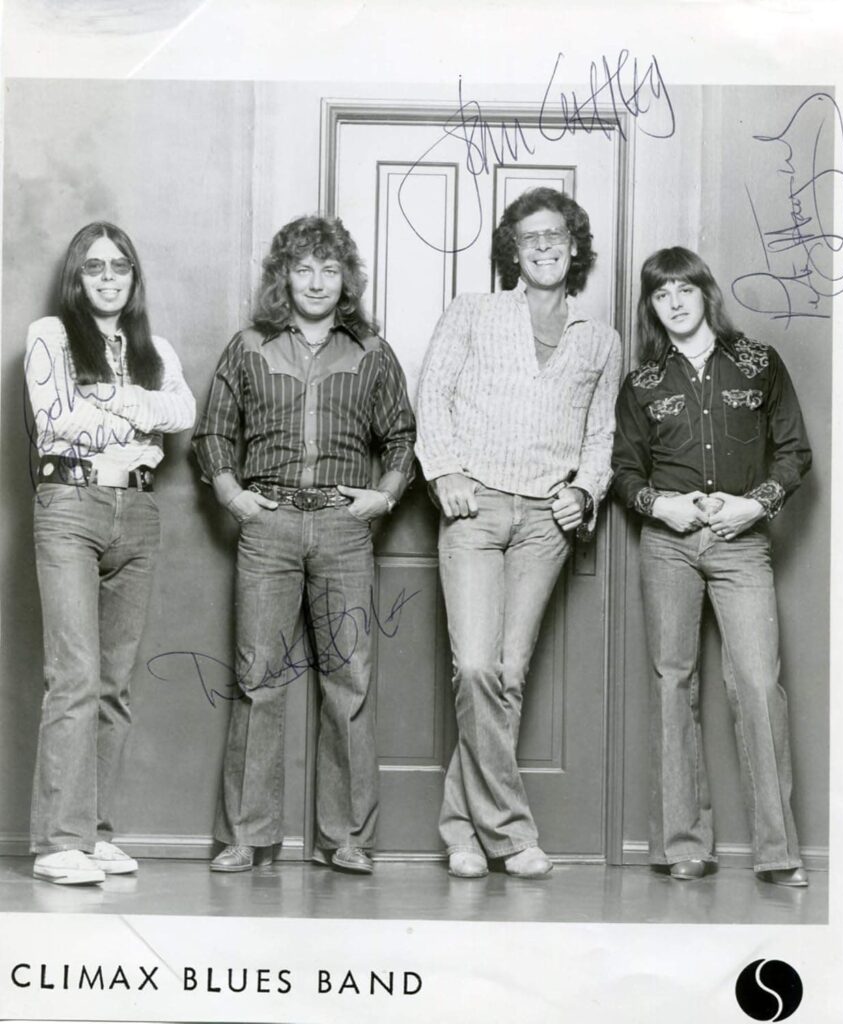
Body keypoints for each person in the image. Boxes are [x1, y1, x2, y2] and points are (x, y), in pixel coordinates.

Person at [193, 215, 415, 875]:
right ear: (283, 277)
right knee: (258, 678)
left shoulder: (372, 352)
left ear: (346, 279)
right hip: (270, 525)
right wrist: (233, 495)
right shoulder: (248, 346)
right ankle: (247, 835)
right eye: (303, 268)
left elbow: (402, 436)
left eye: (329, 269)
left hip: (345, 529)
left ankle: (345, 837)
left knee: (349, 680)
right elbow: (212, 432)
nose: (316, 282)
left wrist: (384, 496)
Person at [415, 187, 621, 879]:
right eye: (529, 237)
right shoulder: (473, 312)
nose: (543, 246)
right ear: (513, 249)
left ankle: (461, 834)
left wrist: (584, 491)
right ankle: (509, 834)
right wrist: (445, 470)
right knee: (477, 667)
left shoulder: (601, 339)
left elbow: (601, 435)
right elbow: (433, 395)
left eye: (554, 234)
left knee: (506, 675)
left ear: (573, 244)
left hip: (545, 523)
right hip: (473, 510)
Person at [611, 246, 812, 886]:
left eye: (684, 289)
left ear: (705, 293)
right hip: (667, 544)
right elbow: (623, 471)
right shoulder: (642, 384)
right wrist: (659, 505)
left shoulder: (759, 362)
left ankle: (779, 853)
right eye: (660, 294)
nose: (673, 302)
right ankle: (683, 846)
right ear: (651, 306)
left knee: (756, 684)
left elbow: (794, 452)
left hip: (741, 542)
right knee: (673, 683)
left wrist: (755, 505)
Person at [25, 222, 196, 885]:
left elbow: (181, 414)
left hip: (138, 511)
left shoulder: (155, 349)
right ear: (77, 276)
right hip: (70, 503)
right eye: (93, 266)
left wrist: (115, 400)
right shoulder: (51, 336)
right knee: (74, 675)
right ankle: (57, 843)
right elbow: (55, 420)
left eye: (119, 266)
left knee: (113, 684)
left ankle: (92, 836)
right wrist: (138, 418)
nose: (107, 277)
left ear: (133, 276)